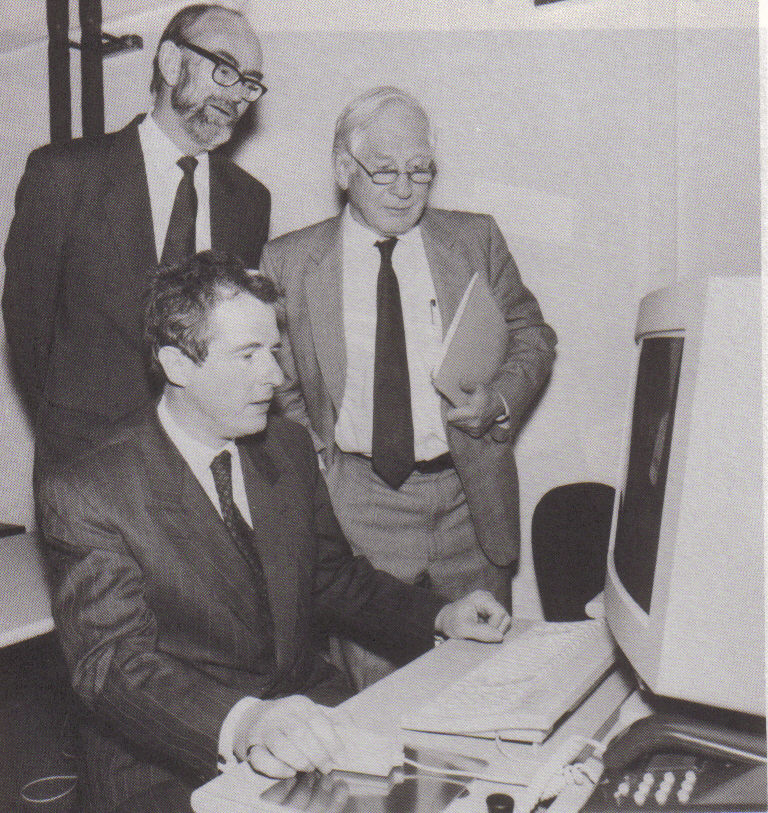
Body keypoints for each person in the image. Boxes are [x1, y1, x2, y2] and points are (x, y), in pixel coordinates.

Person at [36, 250, 511, 812]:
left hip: (304, 709)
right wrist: (244, 722)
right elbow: (112, 666)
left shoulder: (283, 446)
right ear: (177, 365)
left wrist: (435, 614)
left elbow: (331, 581)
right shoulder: (91, 490)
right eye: (248, 355)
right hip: (169, 756)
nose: (276, 377)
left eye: (275, 351)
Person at [261, 87, 557, 688]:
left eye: (421, 171)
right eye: (386, 171)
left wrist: (499, 401)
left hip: (467, 497)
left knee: (486, 682)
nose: (405, 189)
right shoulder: (288, 261)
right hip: (359, 503)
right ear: (345, 169)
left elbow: (532, 334)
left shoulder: (475, 239)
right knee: (378, 693)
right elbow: (282, 381)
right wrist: (318, 468)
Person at [3, 3, 270, 469]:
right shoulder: (65, 174)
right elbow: (27, 321)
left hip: (202, 466)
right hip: (88, 460)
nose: (239, 95)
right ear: (171, 63)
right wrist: (66, 434)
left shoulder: (249, 201)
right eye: (225, 70)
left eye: (249, 81)